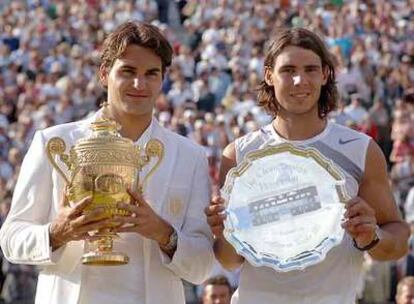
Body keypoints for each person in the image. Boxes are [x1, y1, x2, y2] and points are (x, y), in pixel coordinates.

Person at [0, 21, 214, 304]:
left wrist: (164, 234)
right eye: (128, 71)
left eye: (151, 74)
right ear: (104, 74)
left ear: (163, 80)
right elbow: (12, 238)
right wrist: (56, 233)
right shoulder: (55, 143)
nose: (140, 84)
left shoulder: (190, 156)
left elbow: (201, 266)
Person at [205, 27, 410, 303]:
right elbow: (230, 260)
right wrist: (226, 230)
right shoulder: (240, 154)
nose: (300, 80)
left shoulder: (360, 150)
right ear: (269, 75)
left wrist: (371, 235)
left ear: (325, 74)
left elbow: (396, 243)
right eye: (288, 70)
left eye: (311, 69)